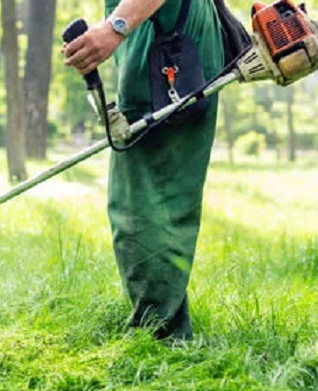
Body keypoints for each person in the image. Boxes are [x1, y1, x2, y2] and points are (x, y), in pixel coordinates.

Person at [62, 0, 225, 340]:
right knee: (152, 191)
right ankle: (164, 325)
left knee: (145, 195)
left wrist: (114, 28)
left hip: (165, 34)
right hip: (162, 28)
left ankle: (159, 334)